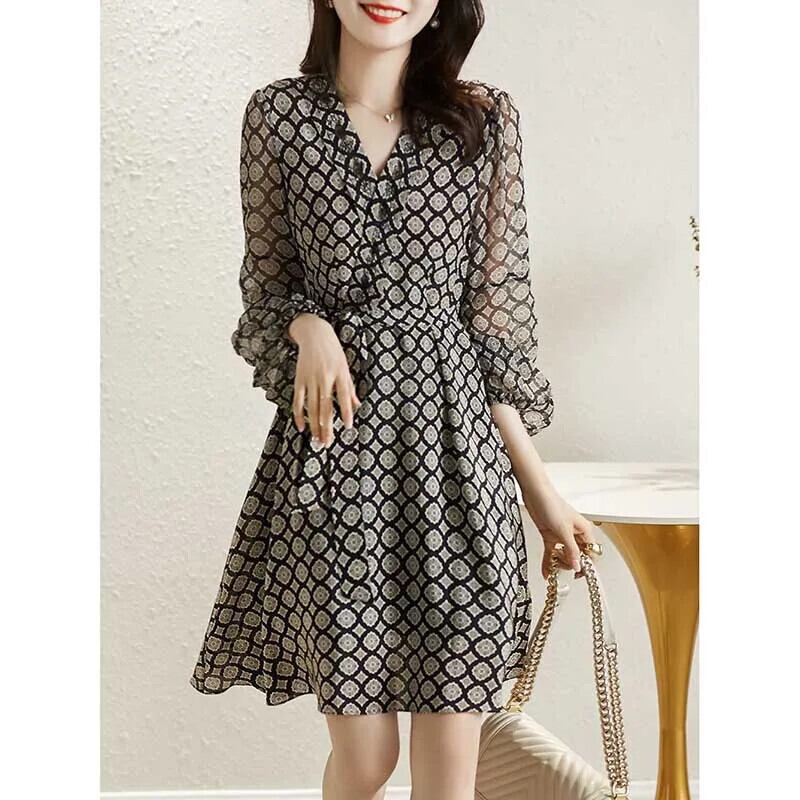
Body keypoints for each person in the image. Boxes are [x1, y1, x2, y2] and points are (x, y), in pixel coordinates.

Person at [191, 2, 598, 798]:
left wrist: (541, 494)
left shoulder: (482, 123)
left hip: (459, 480)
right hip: (337, 479)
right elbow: (265, 293)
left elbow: (494, 334)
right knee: (368, 759)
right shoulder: (280, 118)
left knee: (448, 775)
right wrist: (309, 325)